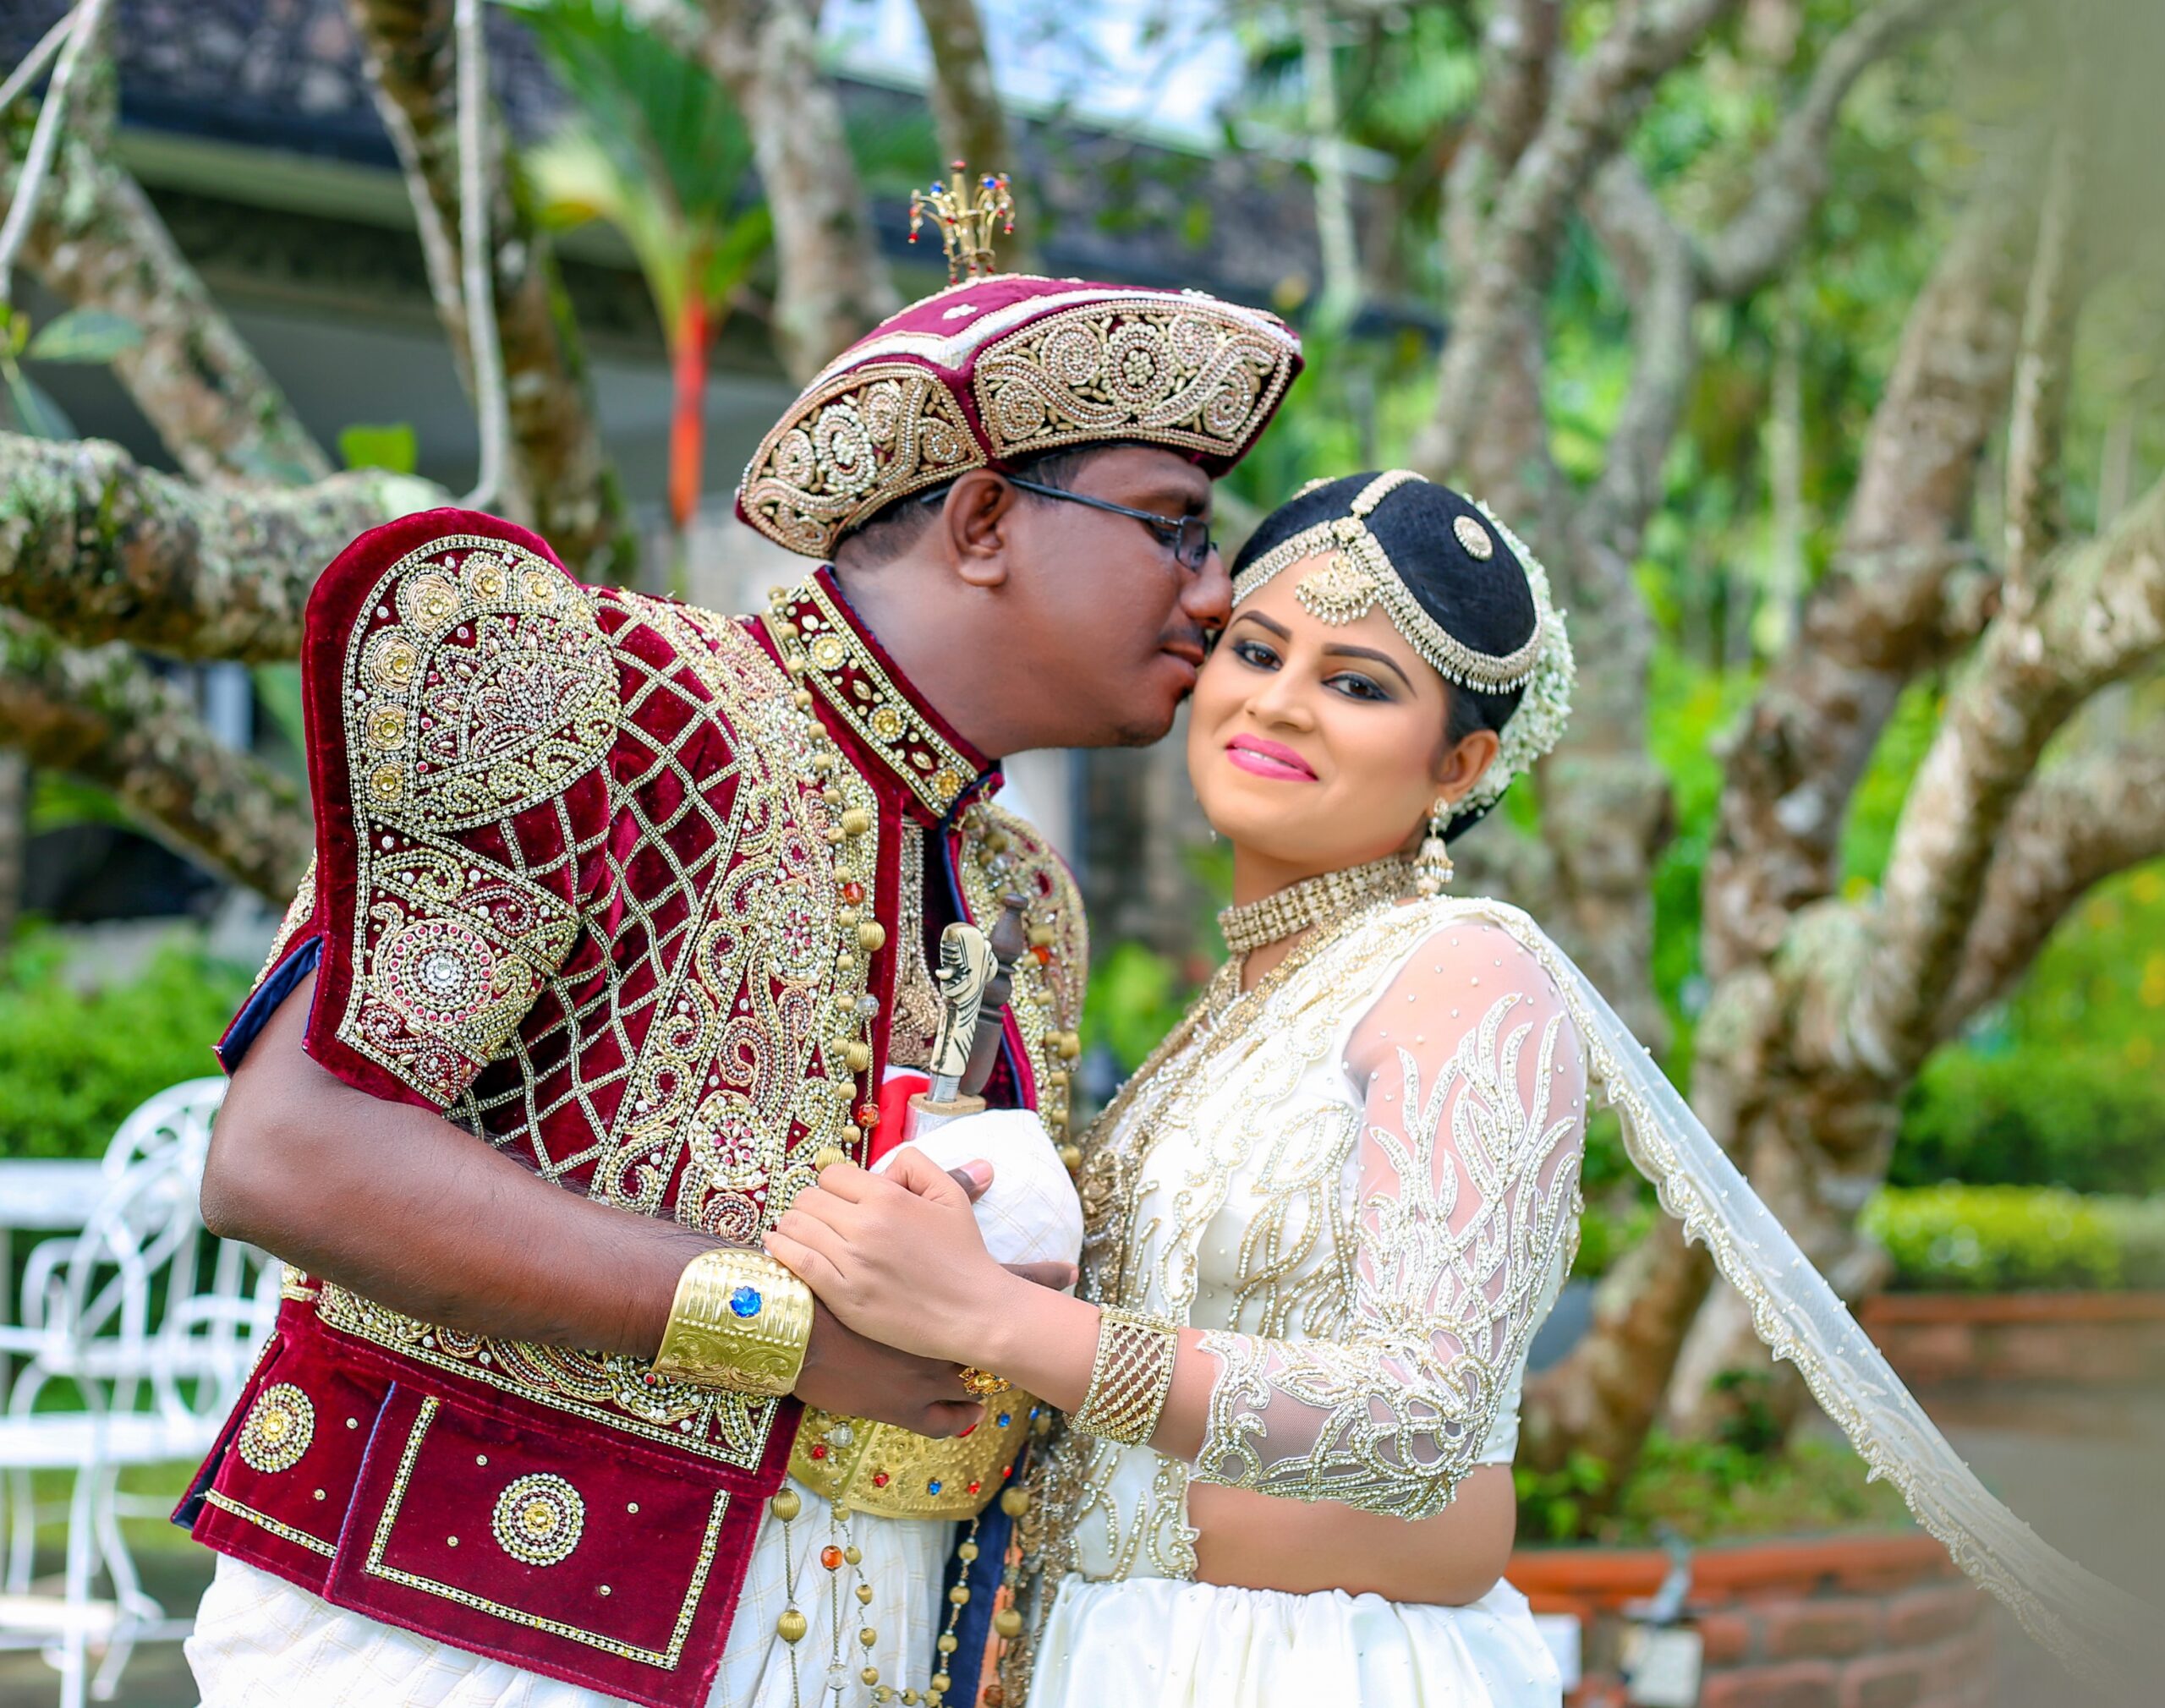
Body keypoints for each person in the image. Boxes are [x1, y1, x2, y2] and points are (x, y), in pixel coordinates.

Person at [765, 472, 2147, 1707]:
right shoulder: (1228, 1016)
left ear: (1461, 766)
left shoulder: (1462, 978)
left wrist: (994, 1318)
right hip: (1114, 1647)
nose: (1281, 701)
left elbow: (1425, 1420)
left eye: (1359, 683)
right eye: (1256, 648)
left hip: (1311, 1668)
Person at [174, 230, 1303, 1708]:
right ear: (980, 520)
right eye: (1173, 526)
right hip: (457, 1628)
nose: (1215, 595)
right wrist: (773, 1328)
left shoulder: (1025, 888)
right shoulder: (608, 693)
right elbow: (290, 1155)